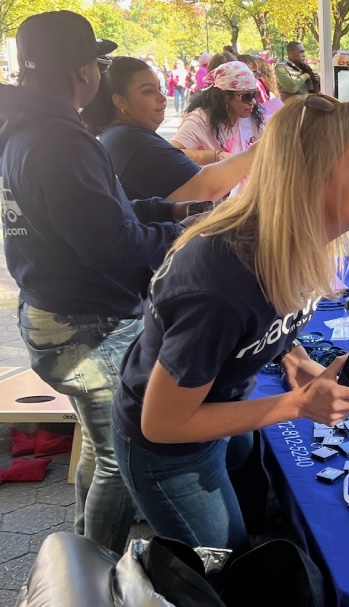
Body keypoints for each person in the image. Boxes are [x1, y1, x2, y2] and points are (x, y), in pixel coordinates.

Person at [112, 95, 349, 551]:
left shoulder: (293, 240)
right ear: (311, 181)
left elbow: (270, 314)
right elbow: (161, 424)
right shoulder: (223, 282)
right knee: (226, 567)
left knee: (255, 512)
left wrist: (293, 356)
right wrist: (299, 405)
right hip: (170, 453)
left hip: (220, 409)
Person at [0, 10, 189, 553]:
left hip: (52, 313)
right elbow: (113, 244)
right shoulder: (58, 138)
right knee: (121, 458)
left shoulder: (28, 129)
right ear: (82, 69)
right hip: (84, 326)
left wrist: (173, 213)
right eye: (98, 63)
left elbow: (105, 213)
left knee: (98, 449)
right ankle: (96, 570)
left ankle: (82, 548)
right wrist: (185, 239)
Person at [81, 56, 257, 202]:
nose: (162, 98)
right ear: (121, 101)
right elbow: (205, 190)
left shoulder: (123, 136)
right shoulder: (133, 142)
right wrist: (257, 151)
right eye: (148, 92)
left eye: (159, 89)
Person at [171, 61, 264, 166]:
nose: (253, 102)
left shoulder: (252, 117)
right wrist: (215, 156)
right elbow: (170, 155)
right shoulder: (200, 120)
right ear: (225, 96)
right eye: (246, 96)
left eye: (255, 95)